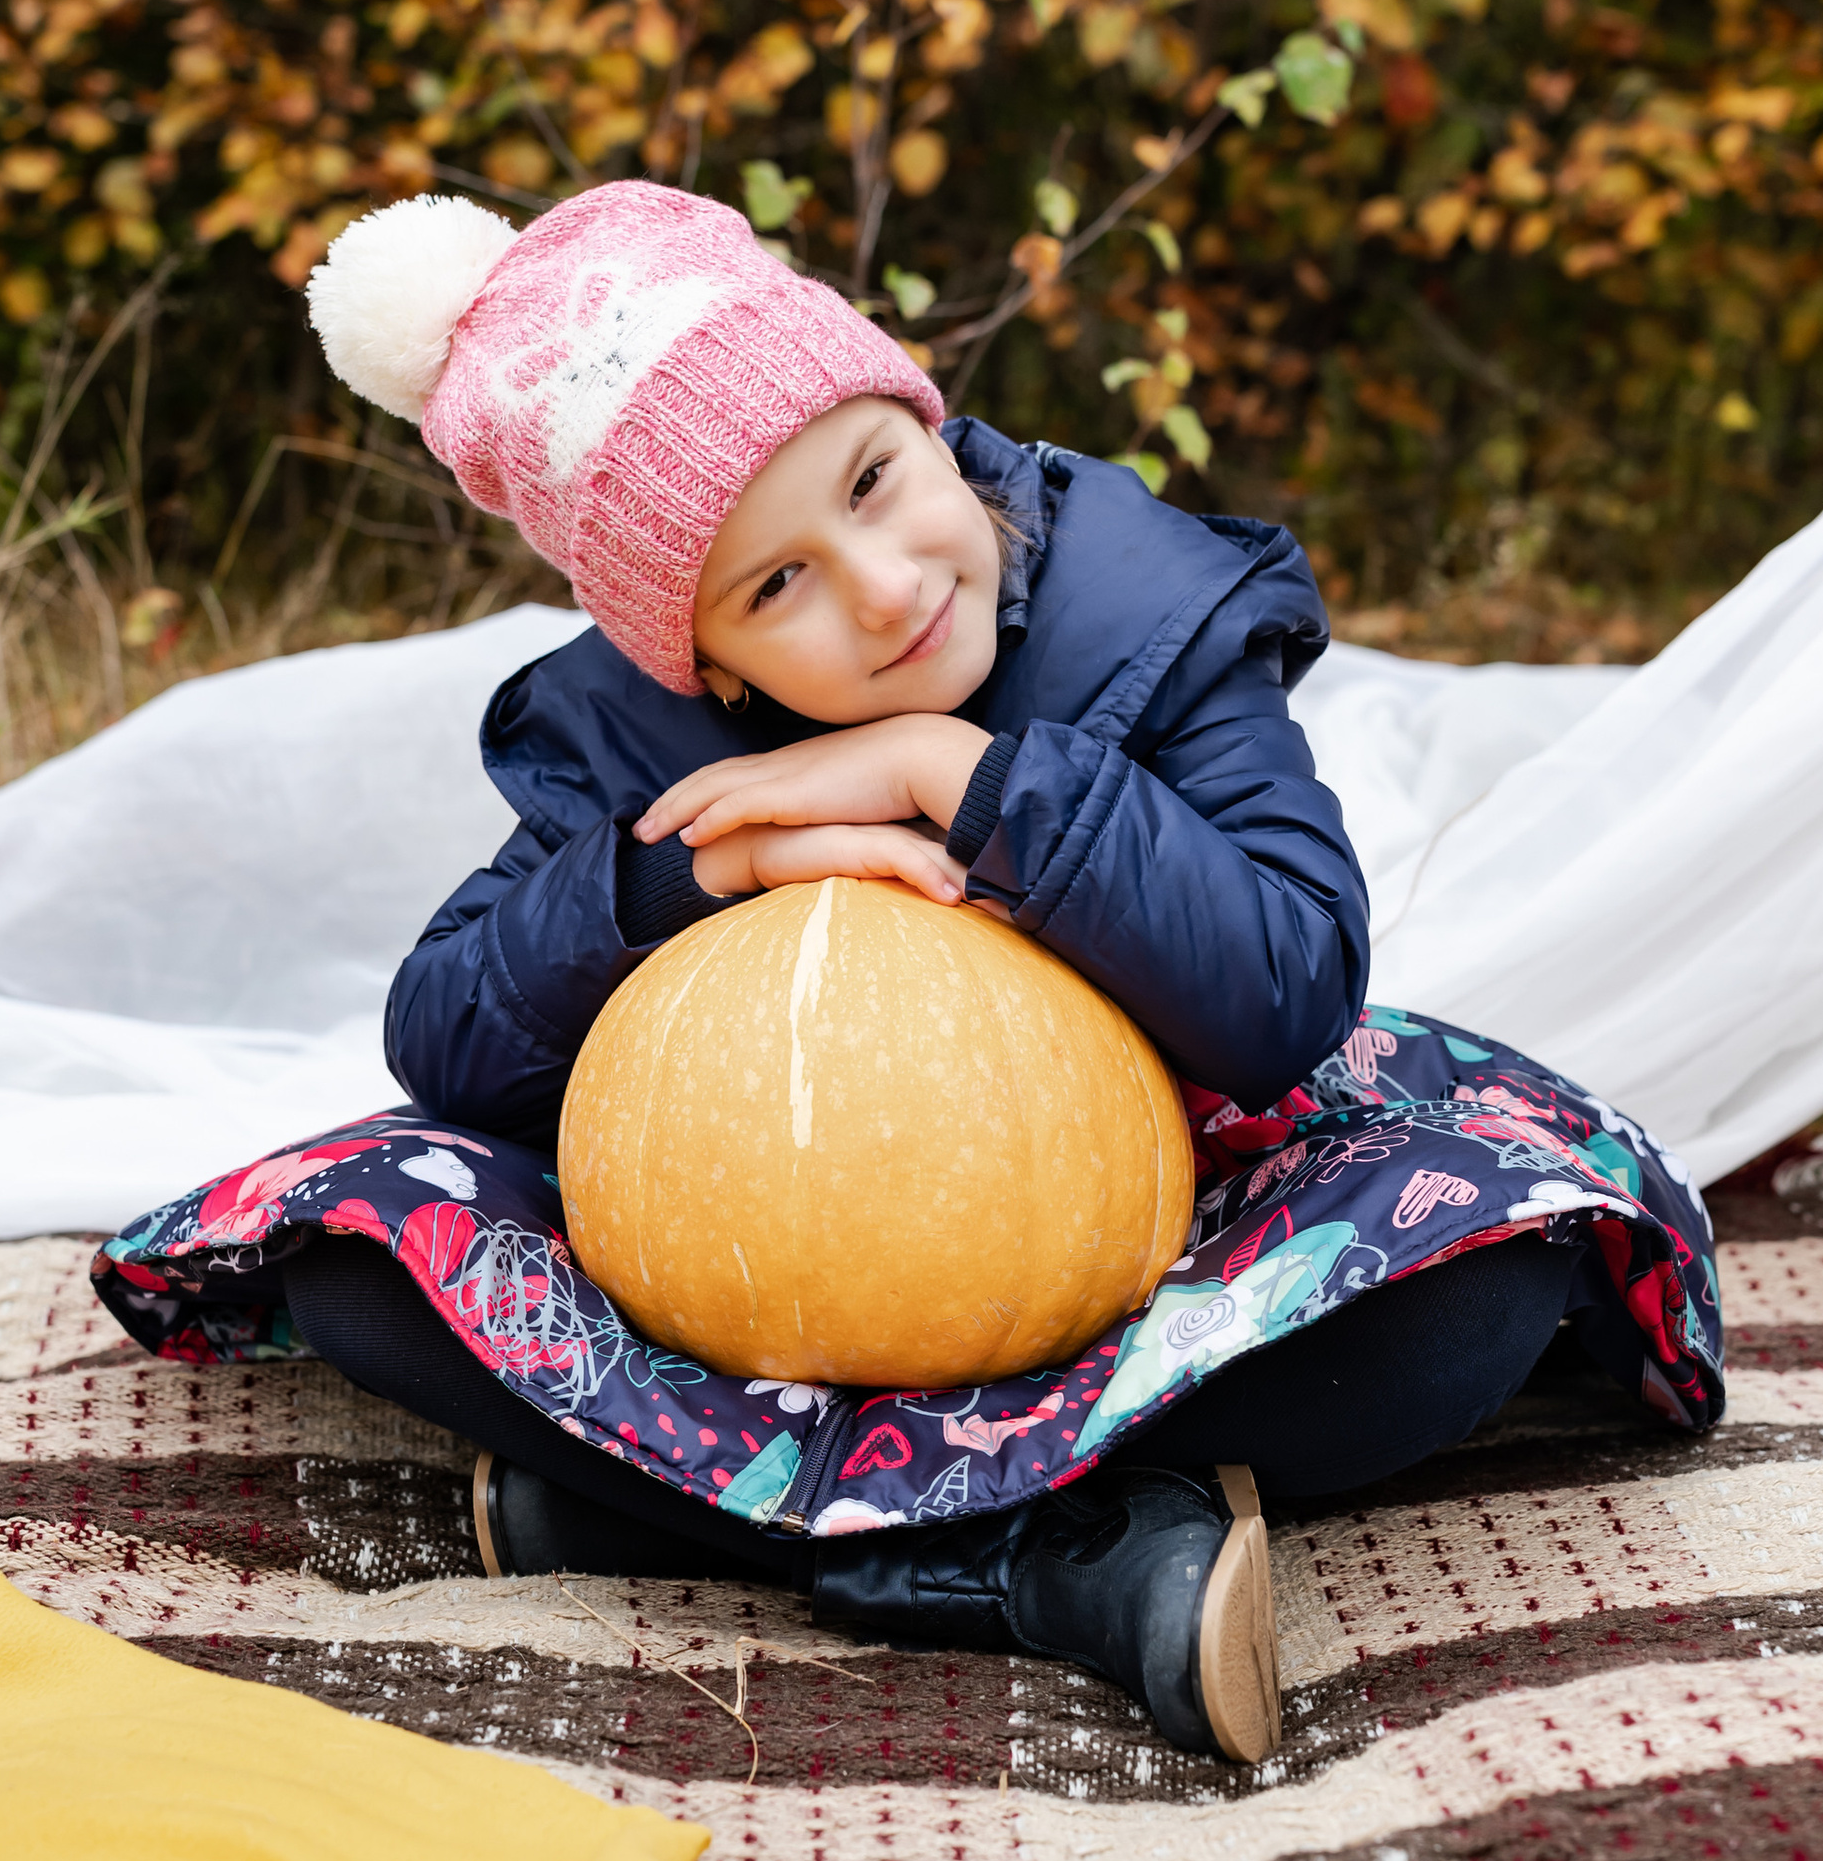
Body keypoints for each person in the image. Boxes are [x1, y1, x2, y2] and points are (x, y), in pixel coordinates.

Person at [98, 181, 1724, 1764]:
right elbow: (448, 1037)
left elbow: (1293, 980)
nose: (879, 588)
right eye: (775, 585)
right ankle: (1058, 1552)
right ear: (703, 660)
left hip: (1145, 1236)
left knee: (1482, 1275)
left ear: (924, 419)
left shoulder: (1140, 616)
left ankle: (646, 1502)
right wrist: (681, 873)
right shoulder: (637, 740)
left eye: (871, 481)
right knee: (357, 1246)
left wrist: (966, 774)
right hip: (763, 1280)